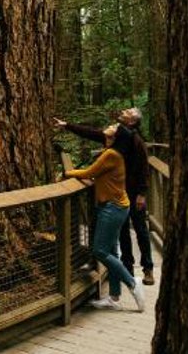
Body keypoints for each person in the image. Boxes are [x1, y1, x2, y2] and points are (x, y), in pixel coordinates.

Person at [54, 108, 155, 285]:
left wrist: (142, 194)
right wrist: (67, 126)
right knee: (123, 232)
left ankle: (148, 269)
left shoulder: (135, 140)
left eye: (129, 111)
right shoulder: (115, 137)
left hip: (134, 192)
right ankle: (127, 269)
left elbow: (144, 168)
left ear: (132, 121)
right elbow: (93, 134)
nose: (124, 110)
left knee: (140, 230)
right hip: (118, 192)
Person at [60, 125, 146, 312]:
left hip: (113, 207)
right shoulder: (111, 152)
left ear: (115, 137)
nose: (110, 125)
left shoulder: (111, 155)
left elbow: (89, 172)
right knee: (112, 252)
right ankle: (114, 297)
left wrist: (67, 173)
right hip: (117, 206)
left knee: (100, 250)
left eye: (114, 127)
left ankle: (132, 283)